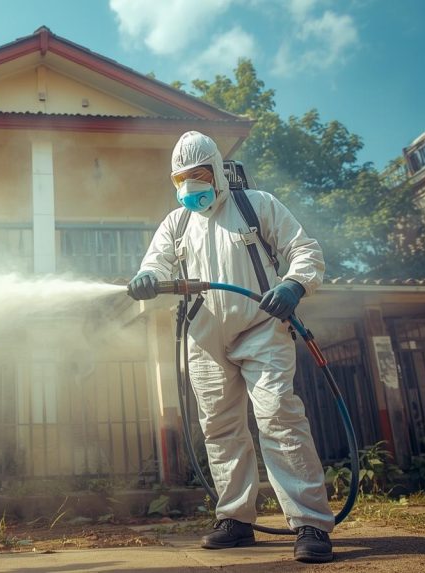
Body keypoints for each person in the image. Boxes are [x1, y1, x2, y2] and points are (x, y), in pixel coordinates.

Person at [127, 131, 334, 564]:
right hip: (204, 338)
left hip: (261, 327)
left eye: (198, 175)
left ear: (219, 172)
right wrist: (147, 276)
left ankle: (310, 523)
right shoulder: (176, 223)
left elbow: (304, 250)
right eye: (181, 180)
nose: (190, 188)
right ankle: (236, 519)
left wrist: (294, 284)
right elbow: (155, 264)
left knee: (278, 416)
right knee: (220, 429)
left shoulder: (256, 205)